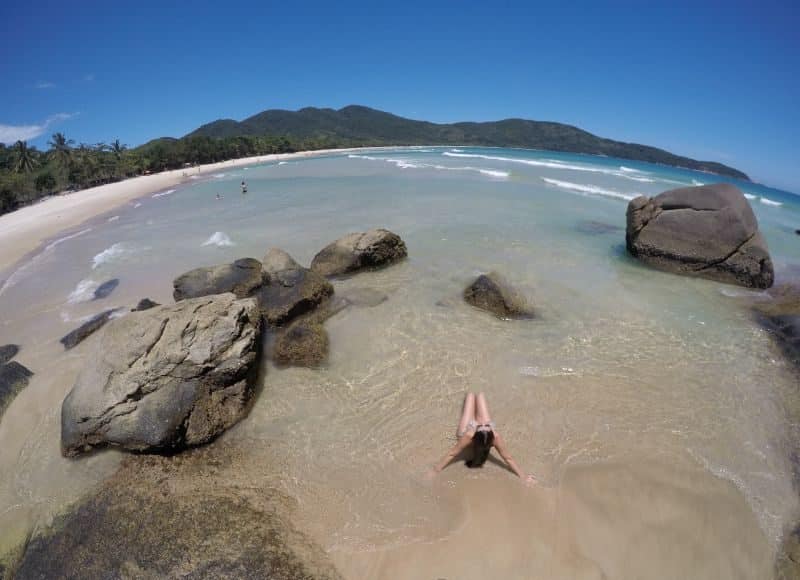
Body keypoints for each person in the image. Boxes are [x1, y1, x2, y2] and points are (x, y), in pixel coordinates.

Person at [432, 392, 536, 484]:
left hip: (468, 431)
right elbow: (508, 458)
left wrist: (435, 470)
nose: (483, 423)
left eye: (485, 425)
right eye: (486, 425)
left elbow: (508, 458)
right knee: (476, 395)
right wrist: (524, 477)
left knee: (471, 397)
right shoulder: (479, 433)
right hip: (473, 434)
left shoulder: (481, 435)